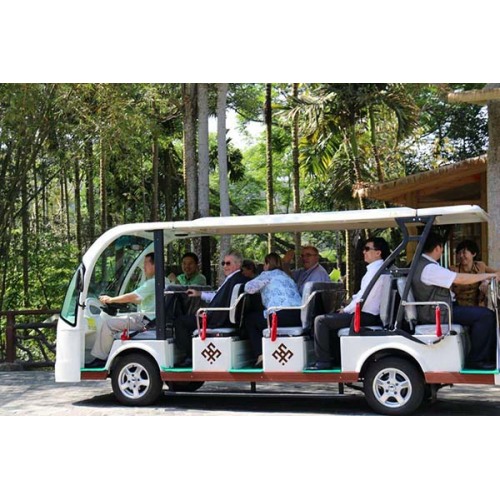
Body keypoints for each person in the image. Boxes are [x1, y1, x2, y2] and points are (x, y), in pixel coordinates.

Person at [412, 232, 500, 370]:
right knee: (485, 316)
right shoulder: (429, 268)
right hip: (439, 312)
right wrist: (489, 275)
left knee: (482, 313)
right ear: (437, 248)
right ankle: (477, 361)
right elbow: (460, 279)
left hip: (441, 308)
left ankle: (488, 357)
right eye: (442, 248)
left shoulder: (423, 265)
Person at [308, 237, 390, 370]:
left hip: (365, 315)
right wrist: (347, 304)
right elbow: (361, 295)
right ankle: (336, 358)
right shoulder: (379, 269)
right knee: (331, 318)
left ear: (378, 253)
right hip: (368, 314)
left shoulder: (375, 271)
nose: (364, 252)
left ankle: (323, 362)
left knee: (320, 321)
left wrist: (346, 310)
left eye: (367, 249)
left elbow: (364, 299)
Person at [173, 250, 249, 367]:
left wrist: (206, 313)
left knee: (180, 322)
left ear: (238, 264)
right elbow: (219, 296)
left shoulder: (233, 280)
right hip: (222, 317)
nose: (225, 266)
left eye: (228, 263)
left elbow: (219, 301)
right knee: (188, 319)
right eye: (223, 263)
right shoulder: (237, 279)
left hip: (218, 319)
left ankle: (190, 356)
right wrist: (199, 294)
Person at [86, 252, 158, 368]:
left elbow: (133, 296)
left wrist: (111, 299)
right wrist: (122, 301)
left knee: (108, 324)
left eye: (146, 263)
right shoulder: (162, 281)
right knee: (117, 320)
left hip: (146, 321)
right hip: (151, 319)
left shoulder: (152, 283)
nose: (144, 267)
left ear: (155, 265)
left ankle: (100, 359)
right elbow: (139, 300)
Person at [243, 252, 302, 367]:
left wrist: (260, 283)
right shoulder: (287, 277)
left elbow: (248, 288)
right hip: (298, 315)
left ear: (267, 264)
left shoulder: (266, 275)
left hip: (280, 315)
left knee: (250, 319)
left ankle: (260, 354)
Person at [450, 240, 497, 307]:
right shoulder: (453, 269)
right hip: (458, 307)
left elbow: (497, 273)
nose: (461, 256)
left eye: (464, 253)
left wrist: (487, 281)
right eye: (459, 253)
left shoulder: (480, 266)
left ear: (473, 254)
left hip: (477, 306)